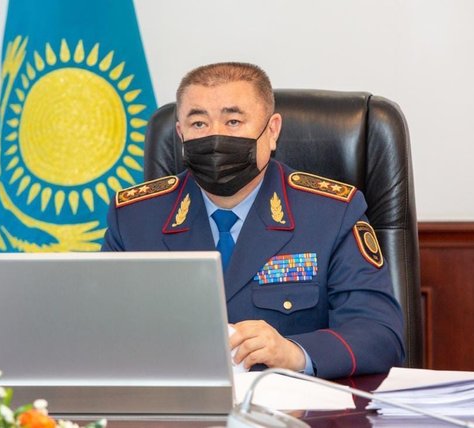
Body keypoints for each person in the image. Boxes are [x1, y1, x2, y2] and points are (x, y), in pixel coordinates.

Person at [102, 62, 404, 378]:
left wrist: (294, 353)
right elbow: (99, 330)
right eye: (199, 124)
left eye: (233, 121)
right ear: (180, 134)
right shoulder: (135, 218)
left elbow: (381, 334)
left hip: (290, 404)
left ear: (272, 131)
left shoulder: (331, 213)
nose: (215, 137)